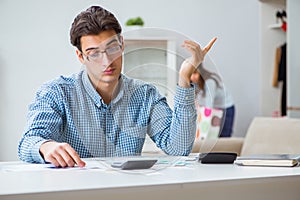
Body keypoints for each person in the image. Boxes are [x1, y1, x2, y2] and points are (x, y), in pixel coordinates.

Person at [18, 5, 216, 167]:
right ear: (81, 56)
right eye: (94, 53)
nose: (107, 61)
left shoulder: (145, 95)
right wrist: (45, 146)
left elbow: (178, 149)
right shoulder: (57, 92)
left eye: (112, 48)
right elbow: (28, 142)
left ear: (122, 44)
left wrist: (184, 78)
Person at [190, 63, 235, 137]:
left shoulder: (209, 82)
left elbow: (209, 102)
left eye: (195, 73)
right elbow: (197, 100)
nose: (192, 77)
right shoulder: (195, 83)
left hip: (225, 108)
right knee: (213, 134)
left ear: (200, 71)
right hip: (213, 108)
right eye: (190, 74)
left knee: (224, 134)